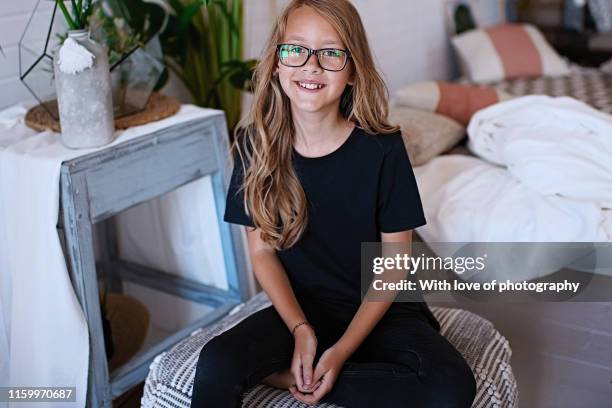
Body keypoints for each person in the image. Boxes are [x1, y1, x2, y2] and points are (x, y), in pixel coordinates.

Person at [191, 1, 477, 406]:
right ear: (276, 62)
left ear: (352, 69)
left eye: (331, 52)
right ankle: (298, 367)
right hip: (305, 308)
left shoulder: (383, 149)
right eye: (296, 49)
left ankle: (289, 378)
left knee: (451, 387)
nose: (311, 65)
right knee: (216, 362)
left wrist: (340, 353)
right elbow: (262, 253)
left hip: (383, 310)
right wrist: (300, 330)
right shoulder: (254, 146)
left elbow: (396, 265)